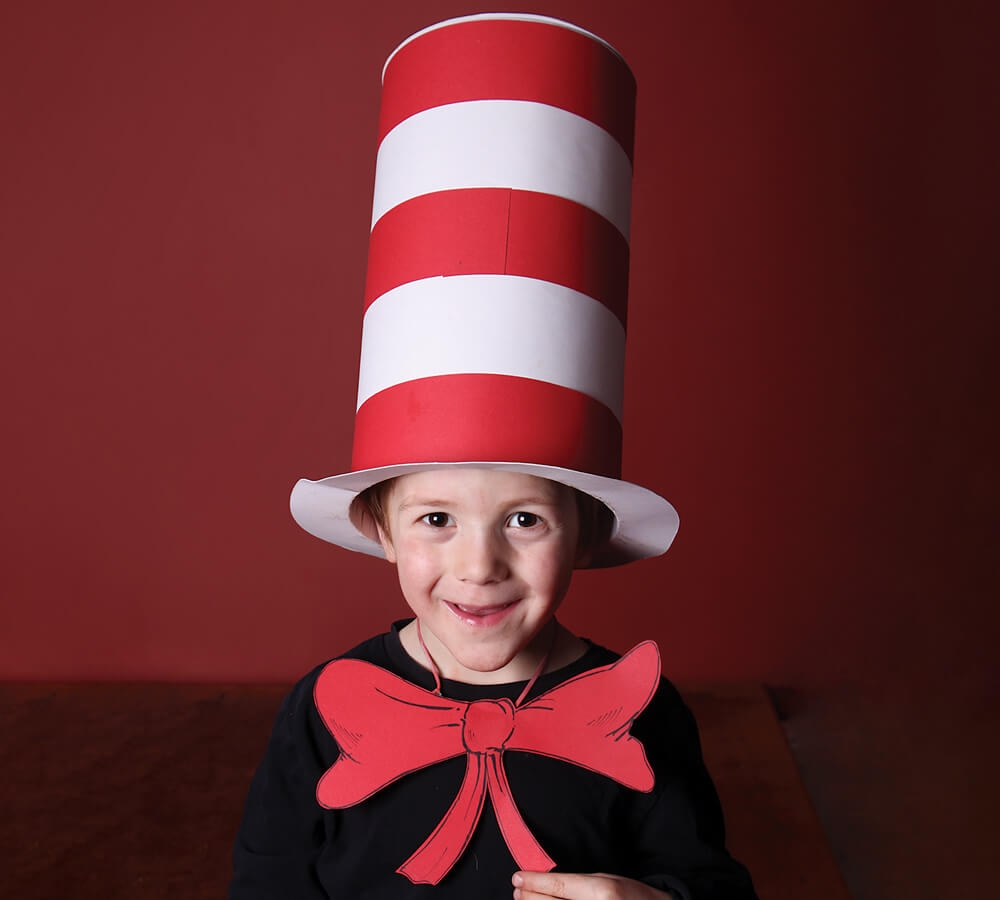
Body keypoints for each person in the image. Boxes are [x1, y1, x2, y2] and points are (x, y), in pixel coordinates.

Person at [230, 13, 757, 899]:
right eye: (436, 518)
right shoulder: (324, 707)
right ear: (381, 529)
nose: (480, 566)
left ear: (586, 530)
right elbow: (267, 884)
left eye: (524, 519)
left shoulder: (641, 708)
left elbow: (713, 883)